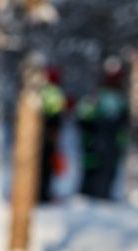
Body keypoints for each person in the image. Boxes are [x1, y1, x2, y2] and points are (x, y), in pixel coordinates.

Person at [76, 64, 128, 200]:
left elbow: (123, 119)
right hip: (101, 135)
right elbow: (85, 117)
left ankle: (103, 193)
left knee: (108, 167)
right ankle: (95, 193)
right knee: (99, 166)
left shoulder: (118, 96)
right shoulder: (100, 95)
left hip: (109, 137)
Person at [38, 67, 68, 203]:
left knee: (43, 165)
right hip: (49, 135)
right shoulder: (55, 93)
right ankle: (44, 194)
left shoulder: (40, 91)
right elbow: (55, 115)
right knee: (47, 167)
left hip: (41, 136)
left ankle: (41, 193)